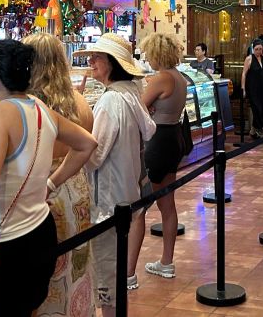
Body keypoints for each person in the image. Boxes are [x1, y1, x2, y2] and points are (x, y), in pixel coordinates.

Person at [0, 39, 97, 316]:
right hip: (40, 233)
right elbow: (88, 144)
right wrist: (51, 183)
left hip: (4, 243)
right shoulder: (40, 108)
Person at [75, 34, 155, 316]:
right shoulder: (129, 94)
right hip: (125, 196)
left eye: (97, 57)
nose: (91, 61)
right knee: (115, 275)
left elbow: (94, 156)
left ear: (113, 63)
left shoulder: (111, 101)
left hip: (107, 204)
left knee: (107, 280)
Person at [24, 33, 96, 317]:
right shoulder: (79, 101)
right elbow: (87, 144)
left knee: (45, 274)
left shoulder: (30, 107)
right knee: (76, 264)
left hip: (42, 191)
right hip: (75, 186)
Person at [129, 33, 188, 285]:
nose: (148, 59)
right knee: (167, 204)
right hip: (173, 138)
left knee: (139, 209)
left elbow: (137, 108)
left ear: (157, 53)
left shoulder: (161, 78)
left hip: (157, 142)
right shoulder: (180, 77)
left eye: (149, 54)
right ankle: (166, 262)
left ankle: (128, 274)